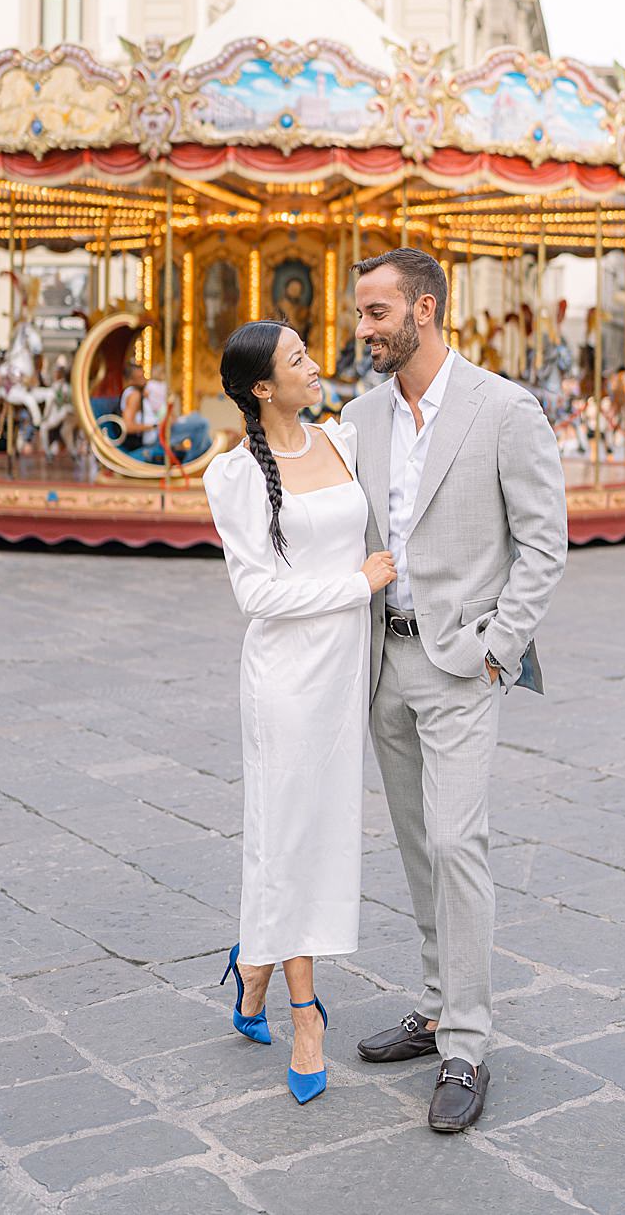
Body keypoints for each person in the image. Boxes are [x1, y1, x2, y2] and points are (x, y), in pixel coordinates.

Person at [342, 248, 566, 1134]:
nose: (362, 329)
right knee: (415, 844)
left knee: (457, 839)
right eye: (362, 314)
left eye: (376, 313)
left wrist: (498, 649)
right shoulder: (358, 416)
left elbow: (544, 544)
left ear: (425, 310)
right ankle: (435, 1002)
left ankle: (467, 1044)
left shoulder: (504, 409)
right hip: (382, 662)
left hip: (461, 662)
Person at [205, 320, 396, 1107]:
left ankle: (254, 966)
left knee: (324, 829)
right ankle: (304, 1011)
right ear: (262, 386)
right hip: (285, 676)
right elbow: (257, 595)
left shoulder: (343, 438)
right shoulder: (236, 474)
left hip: (344, 672)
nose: (314, 367)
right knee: (286, 832)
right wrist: (357, 583)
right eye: (297, 361)